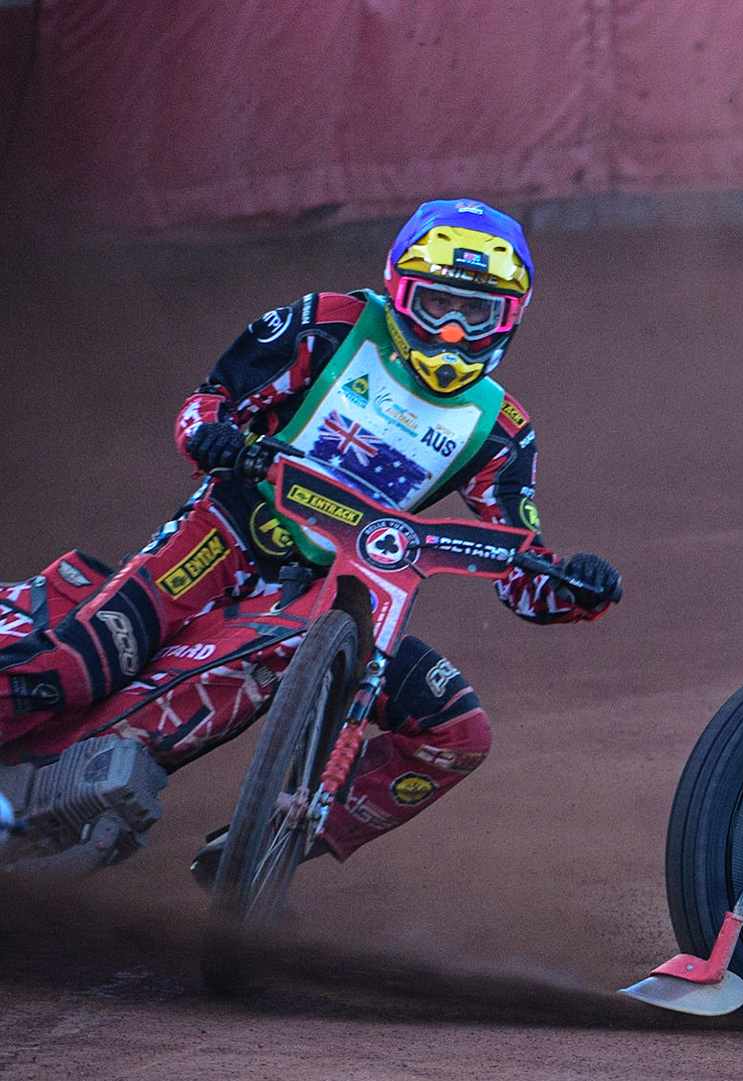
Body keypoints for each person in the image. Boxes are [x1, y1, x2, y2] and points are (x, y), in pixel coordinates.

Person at [0, 198, 623, 878]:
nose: (449, 331)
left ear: (508, 319)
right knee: (86, 663)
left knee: (457, 733)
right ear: (399, 289)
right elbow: (207, 402)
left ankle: (271, 842)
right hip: (227, 533)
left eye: (474, 313)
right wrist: (212, 437)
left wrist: (574, 588)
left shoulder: (500, 429)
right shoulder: (330, 323)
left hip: (345, 593)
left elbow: (520, 571)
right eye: (437, 303)